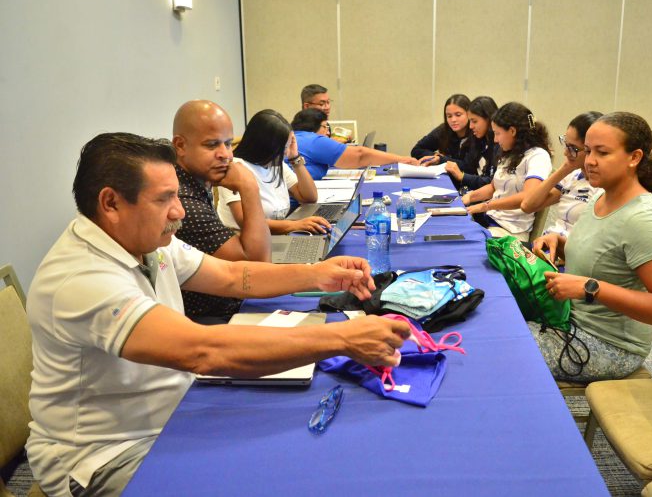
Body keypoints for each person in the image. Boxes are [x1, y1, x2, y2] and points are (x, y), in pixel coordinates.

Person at [24, 132, 411, 497]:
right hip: (106, 456)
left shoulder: (144, 241)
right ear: (111, 203)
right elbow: (203, 352)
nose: (178, 211)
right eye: (163, 199)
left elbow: (230, 276)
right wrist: (341, 340)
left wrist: (317, 274)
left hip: (166, 413)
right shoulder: (82, 279)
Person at [531, 112, 652, 382]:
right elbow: (607, 255)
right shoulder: (603, 196)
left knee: (501, 350)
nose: (590, 161)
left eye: (602, 153)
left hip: (607, 346)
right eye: (588, 151)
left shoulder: (643, 220)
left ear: (634, 157)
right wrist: (560, 245)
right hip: (576, 321)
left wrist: (590, 287)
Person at [172, 100, 271, 322]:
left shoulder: (194, 181)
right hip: (210, 318)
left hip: (225, 306)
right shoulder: (183, 201)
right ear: (180, 145)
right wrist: (249, 187)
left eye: (227, 144)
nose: (225, 155)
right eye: (211, 145)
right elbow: (257, 266)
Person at [217, 109, 332, 235]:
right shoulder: (234, 169)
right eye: (283, 149)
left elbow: (309, 197)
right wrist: (295, 225)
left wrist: (295, 158)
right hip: (245, 240)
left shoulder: (276, 165)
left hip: (275, 237)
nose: (285, 154)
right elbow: (245, 221)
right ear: (266, 147)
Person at [463, 102, 553, 241]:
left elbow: (528, 196)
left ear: (512, 131)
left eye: (498, 133)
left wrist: (486, 205)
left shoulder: (538, 156)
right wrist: (469, 197)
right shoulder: (509, 152)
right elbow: (493, 187)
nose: (495, 139)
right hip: (491, 221)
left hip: (509, 233)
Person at [520, 111, 603, 237]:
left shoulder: (602, 187)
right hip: (549, 243)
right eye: (565, 143)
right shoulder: (573, 175)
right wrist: (565, 168)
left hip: (565, 250)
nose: (565, 153)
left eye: (572, 148)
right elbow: (527, 205)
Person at [291, 108, 421, 180]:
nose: (328, 133)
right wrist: (403, 160)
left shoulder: (297, 139)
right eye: (325, 127)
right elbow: (360, 155)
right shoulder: (312, 140)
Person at [444, 96, 499, 192]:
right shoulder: (478, 140)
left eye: (474, 121)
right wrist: (441, 160)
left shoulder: (499, 144)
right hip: (471, 193)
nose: (470, 126)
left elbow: (493, 182)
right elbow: (468, 166)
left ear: (489, 119)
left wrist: (462, 177)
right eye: (470, 121)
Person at [411, 94, 471, 165]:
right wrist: (435, 156)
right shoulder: (443, 130)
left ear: (469, 114)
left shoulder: (476, 133)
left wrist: (441, 159)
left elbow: (469, 167)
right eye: (449, 116)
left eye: (458, 115)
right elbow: (416, 150)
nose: (453, 120)